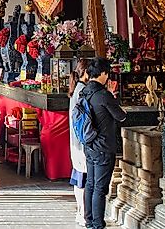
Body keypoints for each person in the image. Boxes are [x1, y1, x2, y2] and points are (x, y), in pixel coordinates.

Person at [81, 58, 127, 229]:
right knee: (100, 188)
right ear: (102, 74)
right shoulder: (103, 95)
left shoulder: (84, 91)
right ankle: (97, 225)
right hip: (103, 146)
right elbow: (121, 116)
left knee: (91, 184)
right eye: (107, 73)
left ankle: (89, 221)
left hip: (89, 144)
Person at [69, 59, 91, 227]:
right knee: (83, 180)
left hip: (77, 142)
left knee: (79, 179)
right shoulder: (83, 90)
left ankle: (80, 211)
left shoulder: (77, 89)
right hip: (82, 142)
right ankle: (82, 213)